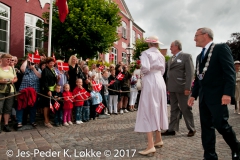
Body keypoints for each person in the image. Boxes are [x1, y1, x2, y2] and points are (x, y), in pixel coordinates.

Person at [188, 27, 240, 160]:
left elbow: (230, 72)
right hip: (204, 97)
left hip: (218, 96)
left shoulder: (220, 48)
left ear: (205, 35)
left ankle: (236, 148)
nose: (194, 39)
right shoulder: (199, 56)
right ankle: (210, 156)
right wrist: (194, 95)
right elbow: (199, 78)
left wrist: (228, 93)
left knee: (221, 124)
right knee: (206, 128)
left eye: (196, 35)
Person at [134, 36, 168, 156]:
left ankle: (150, 145)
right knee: (158, 108)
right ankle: (158, 139)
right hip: (160, 80)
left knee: (148, 109)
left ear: (149, 44)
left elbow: (146, 68)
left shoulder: (146, 53)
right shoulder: (161, 55)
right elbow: (163, 70)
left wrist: (142, 73)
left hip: (150, 80)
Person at [162, 40, 196, 137]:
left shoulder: (186, 56)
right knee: (173, 109)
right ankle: (172, 129)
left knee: (185, 108)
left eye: (171, 46)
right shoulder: (170, 59)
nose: (170, 48)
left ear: (177, 46)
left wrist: (188, 87)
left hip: (182, 87)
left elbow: (190, 73)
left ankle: (191, 128)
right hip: (172, 87)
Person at [16, 59, 41, 128]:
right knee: (20, 107)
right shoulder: (25, 69)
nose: (31, 64)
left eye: (33, 63)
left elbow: (40, 76)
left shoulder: (38, 69)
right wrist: (27, 59)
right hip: (23, 91)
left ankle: (32, 121)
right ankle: (19, 121)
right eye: (30, 63)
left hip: (34, 91)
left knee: (33, 107)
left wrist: (33, 69)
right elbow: (22, 68)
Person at [0, 54, 18, 133]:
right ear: (2, 59)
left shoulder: (11, 68)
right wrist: (1, 81)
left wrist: (13, 81)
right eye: (7, 59)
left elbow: (15, 78)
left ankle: (6, 124)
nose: (9, 61)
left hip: (10, 90)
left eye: (10, 60)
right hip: (1, 90)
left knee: (8, 108)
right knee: (0, 108)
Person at [41, 57, 58, 128]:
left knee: (50, 105)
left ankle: (48, 119)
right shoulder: (45, 70)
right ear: (47, 64)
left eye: (53, 63)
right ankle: (46, 121)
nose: (52, 64)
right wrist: (48, 90)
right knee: (46, 106)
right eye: (50, 63)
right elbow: (45, 81)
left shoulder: (52, 70)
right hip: (47, 90)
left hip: (53, 89)